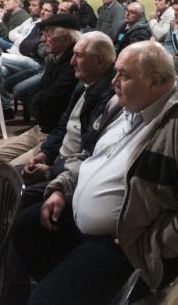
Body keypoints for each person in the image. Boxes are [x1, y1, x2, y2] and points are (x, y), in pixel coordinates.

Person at [12, 41, 178, 304]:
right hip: (88, 224)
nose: (113, 82)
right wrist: (63, 187)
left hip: (132, 246)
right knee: (25, 229)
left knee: (45, 300)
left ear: (154, 81)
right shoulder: (123, 105)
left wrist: (154, 241)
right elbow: (88, 155)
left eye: (124, 75)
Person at [17, 32, 116, 201]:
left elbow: (89, 154)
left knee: (9, 191)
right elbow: (63, 125)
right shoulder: (84, 83)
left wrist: (51, 171)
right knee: (4, 178)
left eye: (78, 56)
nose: (72, 62)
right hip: (57, 160)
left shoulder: (108, 97)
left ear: (98, 61)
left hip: (71, 175)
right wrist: (46, 153)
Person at [0, 14, 81, 166]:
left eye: (48, 34)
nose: (43, 39)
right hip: (40, 127)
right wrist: (39, 101)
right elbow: (42, 93)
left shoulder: (72, 64)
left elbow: (52, 102)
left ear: (66, 39)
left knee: (10, 169)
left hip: (53, 133)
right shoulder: (55, 57)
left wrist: (38, 101)